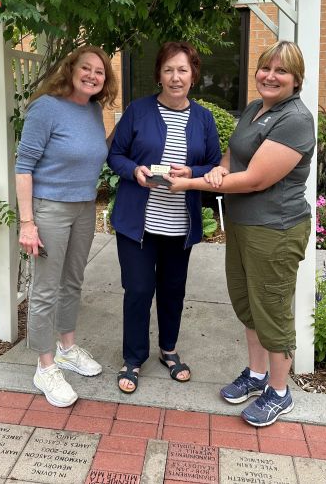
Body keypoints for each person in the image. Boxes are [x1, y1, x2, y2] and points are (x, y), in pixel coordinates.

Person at [167, 41, 315, 426]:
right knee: (247, 304)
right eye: (266, 68)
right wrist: (214, 171)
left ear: (296, 79)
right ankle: (256, 374)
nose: (270, 76)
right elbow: (235, 158)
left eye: (281, 71)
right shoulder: (255, 108)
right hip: (243, 225)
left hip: (275, 230)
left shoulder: (295, 119)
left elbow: (253, 180)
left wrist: (193, 185)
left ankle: (280, 393)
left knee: (272, 309)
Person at [107, 41, 221, 393]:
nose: (175, 77)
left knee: (173, 290)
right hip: (137, 223)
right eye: (169, 70)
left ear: (193, 75)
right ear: (159, 73)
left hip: (179, 224)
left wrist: (192, 172)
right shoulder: (138, 111)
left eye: (182, 70)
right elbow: (116, 155)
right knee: (139, 290)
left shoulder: (203, 118)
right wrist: (135, 171)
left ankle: (168, 350)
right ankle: (134, 358)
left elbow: (215, 165)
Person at [15, 45, 118, 407]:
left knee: (73, 281)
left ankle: (66, 348)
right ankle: (44, 367)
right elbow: (23, 166)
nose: (92, 75)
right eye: (86, 68)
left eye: (100, 72)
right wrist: (27, 222)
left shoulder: (92, 110)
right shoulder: (46, 108)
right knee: (45, 288)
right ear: (70, 69)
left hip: (84, 207)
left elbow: (93, 155)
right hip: (50, 210)